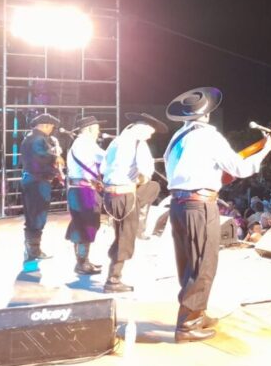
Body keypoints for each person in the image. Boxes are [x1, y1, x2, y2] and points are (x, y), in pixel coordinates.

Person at [164, 87, 271, 343]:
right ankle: (188, 325)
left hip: (178, 204)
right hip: (200, 206)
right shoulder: (209, 137)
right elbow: (241, 168)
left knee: (188, 263)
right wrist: (266, 148)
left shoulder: (177, 137)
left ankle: (196, 313)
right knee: (203, 263)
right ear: (207, 113)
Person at [101, 112, 166, 293]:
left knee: (120, 234)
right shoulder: (139, 143)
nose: (150, 136)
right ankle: (113, 280)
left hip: (109, 196)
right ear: (143, 128)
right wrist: (138, 181)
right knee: (125, 237)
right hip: (125, 196)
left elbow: (103, 168)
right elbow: (145, 171)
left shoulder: (116, 141)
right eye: (150, 132)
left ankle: (139, 223)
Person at [64, 115, 106, 275]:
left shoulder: (79, 143)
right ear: (89, 129)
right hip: (84, 190)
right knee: (87, 224)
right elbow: (106, 159)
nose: (98, 133)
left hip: (77, 189)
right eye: (96, 129)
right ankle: (82, 263)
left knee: (81, 224)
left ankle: (83, 261)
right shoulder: (86, 143)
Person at [20, 113, 62, 263]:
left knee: (32, 215)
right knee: (37, 216)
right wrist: (55, 158)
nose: (52, 130)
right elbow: (40, 158)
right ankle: (34, 250)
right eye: (51, 127)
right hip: (37, 182)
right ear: (45, 125)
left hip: (32, 180)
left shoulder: (30, 138)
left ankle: (32, 248)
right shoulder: (38, 139)